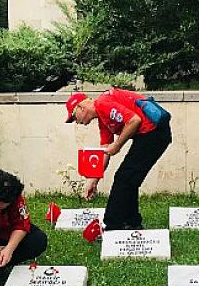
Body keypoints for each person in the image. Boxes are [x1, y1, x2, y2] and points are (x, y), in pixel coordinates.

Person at [65, 89, 172, 231]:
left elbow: (134, 121)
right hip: (148, 134)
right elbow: (105, 151)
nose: (77, 122)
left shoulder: (103, 104)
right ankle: (132, 222)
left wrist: (117, 145)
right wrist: (94, 180)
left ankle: (113, 225)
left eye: (74, 117)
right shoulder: (102, 119)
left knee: (125, 178)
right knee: (128, 178)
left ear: (81, 107)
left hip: (155, 133)